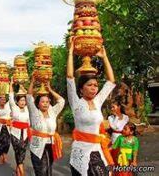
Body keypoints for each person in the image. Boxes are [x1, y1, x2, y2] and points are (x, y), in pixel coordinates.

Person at [67, 38, 116, 176]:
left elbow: (111, 81)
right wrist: (71, 52)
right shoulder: (76, 103)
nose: (94, 88)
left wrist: (104, 57)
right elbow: (70, 77)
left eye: (95, 85)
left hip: (97, 151)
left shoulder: (98, 101)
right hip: (80, 152)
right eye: (90, 85)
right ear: (81, 89)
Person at [27, 73, 65, 176]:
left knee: (48, 170)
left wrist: (50, 89)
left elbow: (61, 101)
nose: (45, 104)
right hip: (36, 146)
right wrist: (32, 82)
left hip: (50, 145)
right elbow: (29, 97)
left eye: (47, 102)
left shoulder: (52, 111)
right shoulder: (34, 112)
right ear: (38, 103)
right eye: (42, 102)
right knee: (41, 172)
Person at [9, 80, 30, 176]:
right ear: (17, 101)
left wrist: (21, 86)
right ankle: (22, 172)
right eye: (21, 100)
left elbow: (30, 96)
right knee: (18, 151)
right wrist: (11, 84)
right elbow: (10, 96)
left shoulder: (28, 109)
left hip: (25, 134)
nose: (23, 102)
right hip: (15, 134)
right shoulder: (14, 107)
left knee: (22, 153)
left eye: (24, 100)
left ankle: (18, 170)